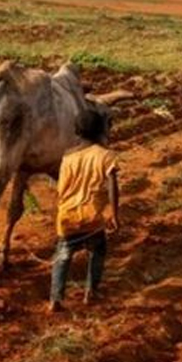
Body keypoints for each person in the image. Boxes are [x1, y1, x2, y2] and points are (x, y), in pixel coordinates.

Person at [49, 109, 120, 313]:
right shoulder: (106, 156)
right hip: (93, 217)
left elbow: (60, 188)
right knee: (98, 251)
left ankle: (55, 299)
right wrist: (114, 214)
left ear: (76, 131)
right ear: (101, 130)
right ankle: (91, 292)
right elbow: (113, 185)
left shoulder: (68, 157)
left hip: (67, 216)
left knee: (62, 257)